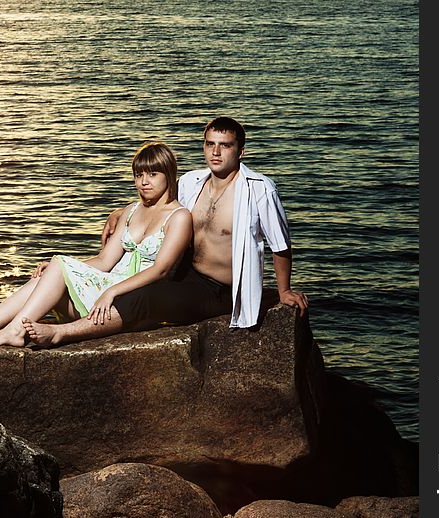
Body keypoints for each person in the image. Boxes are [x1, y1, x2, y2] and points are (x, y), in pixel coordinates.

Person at [21, 116, 308, 347]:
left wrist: (283, 291)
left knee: (146, 299)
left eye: (225, 145)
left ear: (240, 151)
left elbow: (280, 245)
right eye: (210, 144)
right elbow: (158, 199)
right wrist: (118, 213)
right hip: (186, 275)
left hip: (222, 290)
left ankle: (62, 333)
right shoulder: (193, 181)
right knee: (132, 282)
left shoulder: (259, 190)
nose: (216, 152)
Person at [0, 141, 193, 347]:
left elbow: (160, 270)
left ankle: (15, 331)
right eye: (138, 175)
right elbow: (105, 260)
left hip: (131, 301)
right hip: (105, 289)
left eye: (152, 174)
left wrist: (112, 292)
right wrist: (61, 270)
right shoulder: (131, 210)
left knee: (57, 267)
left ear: (169, 175)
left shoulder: (179, 217)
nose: (144, 181)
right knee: (50, 269)